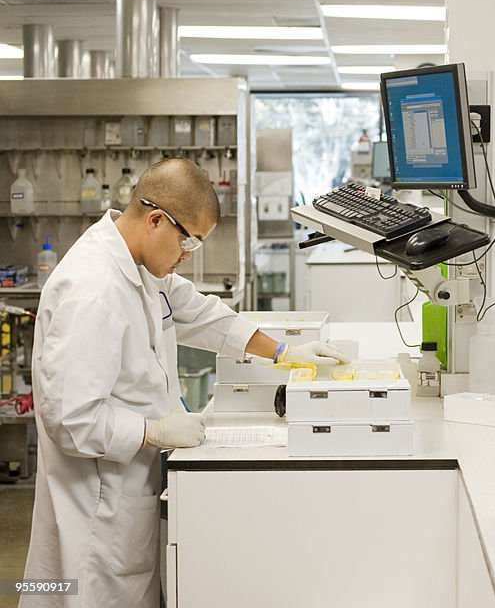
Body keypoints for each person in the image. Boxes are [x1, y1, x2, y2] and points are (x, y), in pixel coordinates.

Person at [21, 158, 347, 608]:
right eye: (188, 241)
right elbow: (70, 420)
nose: (188, 256)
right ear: (156, 220)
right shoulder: (92, 290)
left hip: (130, 494)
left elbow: (204, 314)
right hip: (97, 513)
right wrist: (153, 431)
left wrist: (283, 352)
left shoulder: (140, 267)